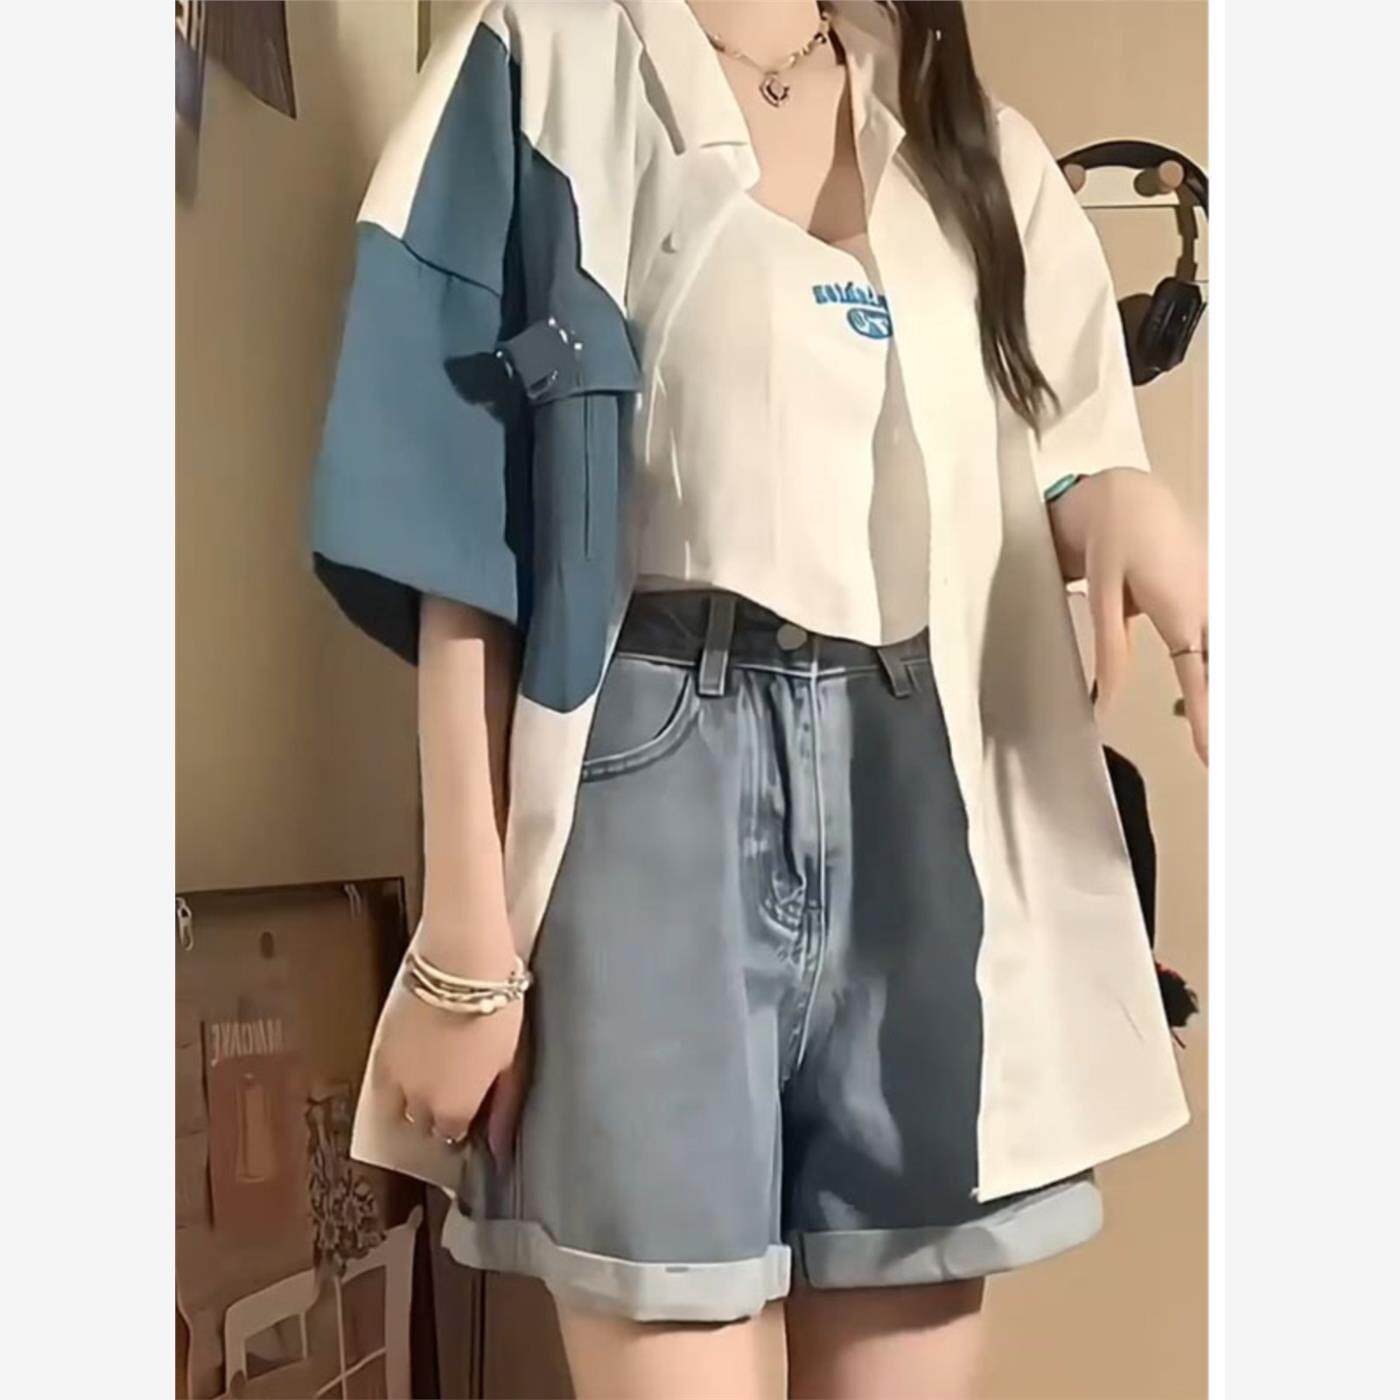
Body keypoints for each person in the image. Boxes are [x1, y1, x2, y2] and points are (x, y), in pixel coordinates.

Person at [307, 2, 1208, 1395]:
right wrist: (466, 945)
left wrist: (1121, 500)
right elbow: (457, 521)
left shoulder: (975, 144)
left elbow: (1060, 445)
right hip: (651, 784)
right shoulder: (543, 60)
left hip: (926, 801)